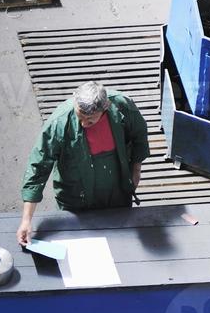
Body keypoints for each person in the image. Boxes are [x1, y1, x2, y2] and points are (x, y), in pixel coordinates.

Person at [17, 81, 151, 247]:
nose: (83, 124)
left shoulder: (122, 106)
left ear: (106, 107)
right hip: (76, 200)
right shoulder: (59, 122)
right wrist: (26, 220)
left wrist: (136, 169)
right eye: (79, 117)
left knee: (120, 245)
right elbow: (38, 166)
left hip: (117, 194)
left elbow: (139, 134)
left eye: (90, 121)